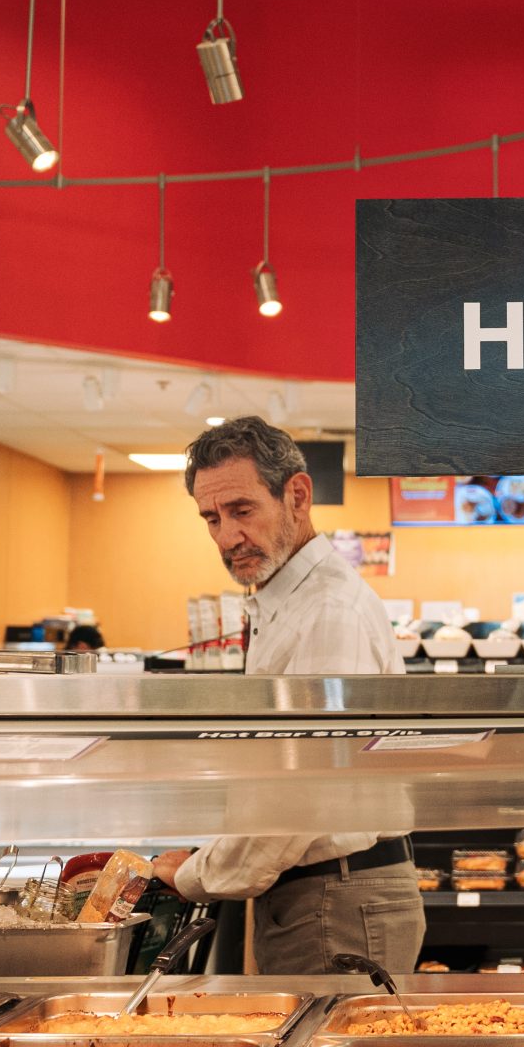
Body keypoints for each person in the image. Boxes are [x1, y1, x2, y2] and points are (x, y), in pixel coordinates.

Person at [149, 417, 424, 976]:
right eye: (212, 518)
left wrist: (198, 873)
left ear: (297, 495)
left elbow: (302, 793)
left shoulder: (327, 612)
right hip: (319, 895)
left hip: (334, 900)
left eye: (242, 510)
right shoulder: (289, 603)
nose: (227, 537)